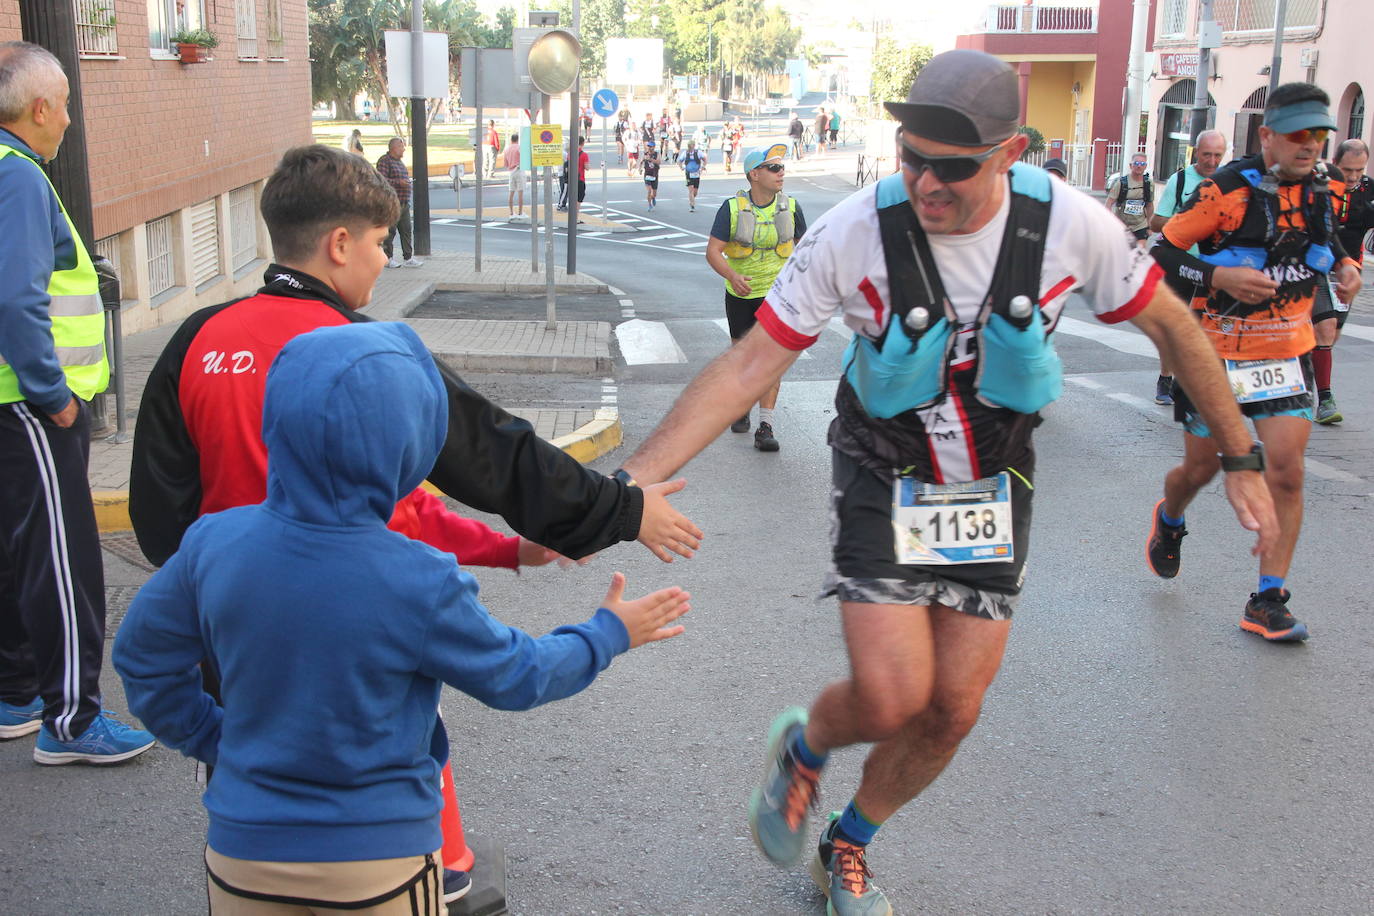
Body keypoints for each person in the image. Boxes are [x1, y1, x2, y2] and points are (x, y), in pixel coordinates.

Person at [614, 50, 1277, 914]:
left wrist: (1237, 454)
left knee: (952, 709)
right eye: (909, 156)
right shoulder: (855, 230)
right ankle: (806, 747)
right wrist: (621, 489)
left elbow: (1173, 327)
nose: (925, 182)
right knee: (891, 697)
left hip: (991, 483)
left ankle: (849, 843)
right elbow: (748, 367)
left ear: (1012, 152)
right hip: (880, 470)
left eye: (952, 166)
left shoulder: (1070, 225)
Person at [114, 320, 691, 915]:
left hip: (242, 853)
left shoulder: (214, 543)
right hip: (378, 864)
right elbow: (521, 675)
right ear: (412, 441)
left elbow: (142, 658)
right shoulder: (418, 577)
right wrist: (609, 633)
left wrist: (213, 737)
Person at [1150, 82, 1360, 642]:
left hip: (1284, 350)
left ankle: (1268, 598)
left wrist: (1342, 268)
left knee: (1287, 473)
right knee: (1201, 469)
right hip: (1215, 351)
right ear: (1267, 136)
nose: (1311, 145)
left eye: (1320, 134)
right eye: (1298, 134)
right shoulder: (1224, 192)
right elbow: (1162, 250)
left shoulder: (1327, 187)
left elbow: (1329, 241)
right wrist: (1217, 275)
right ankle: (1170, 519)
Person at [0, 40, 156, 765]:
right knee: (62, 558)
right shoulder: (21, 179)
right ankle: (73, 720)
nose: (68, 119)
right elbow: (16, 297)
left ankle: (16, 692)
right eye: (63, 104)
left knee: (19, 549)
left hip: (11, 410)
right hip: (30, 407)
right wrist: (53, 394)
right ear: (39, 110)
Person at [705, 143, 806, 452]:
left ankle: (766, 425)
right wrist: (733, 275)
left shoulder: (791, 206)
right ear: (754, 174)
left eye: (782, 167)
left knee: (771, 359)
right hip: (741, 294)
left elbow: (805, 250)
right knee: (743, 356)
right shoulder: (732, 208)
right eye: (774, 168)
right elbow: (713, 252)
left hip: (777, 295)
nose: (781, 173)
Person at [1149, 130, 1228, 406]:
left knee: (1205, 326)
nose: (1212, 160)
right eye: (1207, 154)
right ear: (1196, 152)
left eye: (1218, 155)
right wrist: (1188, 223)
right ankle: (1165, 378)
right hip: (1179, 261)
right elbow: (1156, 222)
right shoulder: (1180, 180)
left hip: (1211, 266)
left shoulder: (1228, 182)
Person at [1313, 138, 1374, 423]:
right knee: (1324, 330)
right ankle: (1325, 400)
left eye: (1359, 171)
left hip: (1350, 270)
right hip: (1316, 267)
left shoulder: (1369, 189)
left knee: (1331, 335)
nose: (1352, 177)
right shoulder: (1320, 182)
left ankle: (1307, 369)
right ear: (1335, 163)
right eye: (1347, 169)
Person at [375, 137, 422, 268]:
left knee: (406, 230)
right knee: (390, 231)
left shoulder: (400, 163)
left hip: (403, 203)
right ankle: (387, 258)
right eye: (401, 146)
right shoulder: (385, 161)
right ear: (394, 148)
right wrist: (399, 183)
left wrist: (406, 183)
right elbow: (381, 180)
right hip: (391, 202)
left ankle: (408, 257)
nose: (404, 149)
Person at [1105, 152, 1154, 246]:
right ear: (1131, 165)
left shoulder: (1149, 184)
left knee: (1139, 253)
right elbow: (1109, 202)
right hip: (1122, 225)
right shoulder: (1121, 183)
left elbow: (1150, 205)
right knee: (1123, 253)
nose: (1139, 166)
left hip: (1140, 225)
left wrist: (1149, 226)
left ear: (1145, 166)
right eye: (1136, 163)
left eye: (1142, 164)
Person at [502, 132, 525, 220]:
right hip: (519, 170)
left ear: (511, 140)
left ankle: (511, 212)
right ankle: (520, 212)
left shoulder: (507, 149)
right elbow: (523, 159)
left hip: (511, 171)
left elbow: (505, 164)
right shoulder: (519, 148)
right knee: (520, 192)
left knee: (511, 192)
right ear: (517, 140)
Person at [681, 138, 706, 212]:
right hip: (688, 173)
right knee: (691, 189)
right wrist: (681, 167)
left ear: (694, 146)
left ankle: (692, 198)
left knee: (695, 191)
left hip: (696, 173)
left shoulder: (698, 152)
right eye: (689, 146)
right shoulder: (685, 153)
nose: (690, 147)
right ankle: (692, 205)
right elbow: (680, 161)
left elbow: (704, 159)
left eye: (691, 146)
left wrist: (703, 167)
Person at [642, 139, 661, 209]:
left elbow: (659, 162)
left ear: (654, 147)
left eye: (651, 146)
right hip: (647, 174)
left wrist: (651, 160)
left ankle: (653, 198)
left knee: (654, 193)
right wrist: (640, 169)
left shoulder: (657, 154)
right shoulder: (645, 154)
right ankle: (649, 205)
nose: (650, 148)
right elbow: (641, 161)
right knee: (649, 190)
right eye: (649, 146)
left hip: (654, 174)